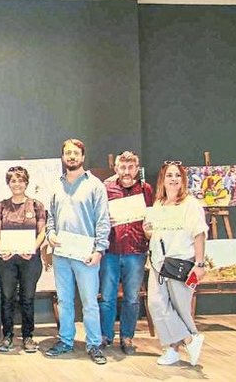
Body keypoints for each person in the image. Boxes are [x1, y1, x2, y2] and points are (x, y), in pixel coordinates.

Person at [45, 139, 111, 365]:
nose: (71, 156)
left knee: (89, 302)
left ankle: (94, 344)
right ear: (63, 157)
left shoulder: (95, 185)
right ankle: (65, 341)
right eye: (67, 153)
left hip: (86, 255)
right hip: (61, 254)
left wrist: (99, 250)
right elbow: (51, 218)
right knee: (64, 300)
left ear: (83, 157)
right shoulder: (56, 185)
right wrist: (50, 235)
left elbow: (103, 220)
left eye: (75, 153)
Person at [145, 161, 207, 366]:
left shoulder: (190, 204)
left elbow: (199, 234)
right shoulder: (159, 204)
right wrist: (148, 231)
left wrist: (200, 264)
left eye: (177, 175)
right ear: (162, 180)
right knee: (156, 304)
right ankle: (189, 339)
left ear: (183, 179)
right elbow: (156, 233)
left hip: (180, 262)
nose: (173, 179)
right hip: (157, 263)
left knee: (180, 307)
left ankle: (173, 349)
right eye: (169, 175)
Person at [99, 151, 153, 355]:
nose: (127, 171)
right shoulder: (106, 189)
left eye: (131, 167)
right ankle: (105, 336)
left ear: (137, 169)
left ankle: (127, 337)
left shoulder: (146, 189)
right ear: (116, 169)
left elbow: (152, 216)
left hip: (136, 251)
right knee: (107, 297)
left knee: (132, 297)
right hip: (110, 250)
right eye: (123, 167)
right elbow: (98, 216)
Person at [0, 165, 46, 353]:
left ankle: (28, 336)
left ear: (26, 182)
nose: (17, 184)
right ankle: (7, 336)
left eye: (20, 180)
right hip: (6, 259)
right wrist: (2, 249)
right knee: (7, 297)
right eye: (13, 180)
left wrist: (32, 248)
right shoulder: (1, 206)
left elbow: (42, 232)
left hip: (30, 259)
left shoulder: (36, 205)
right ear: (8, 183)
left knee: (27, 298)